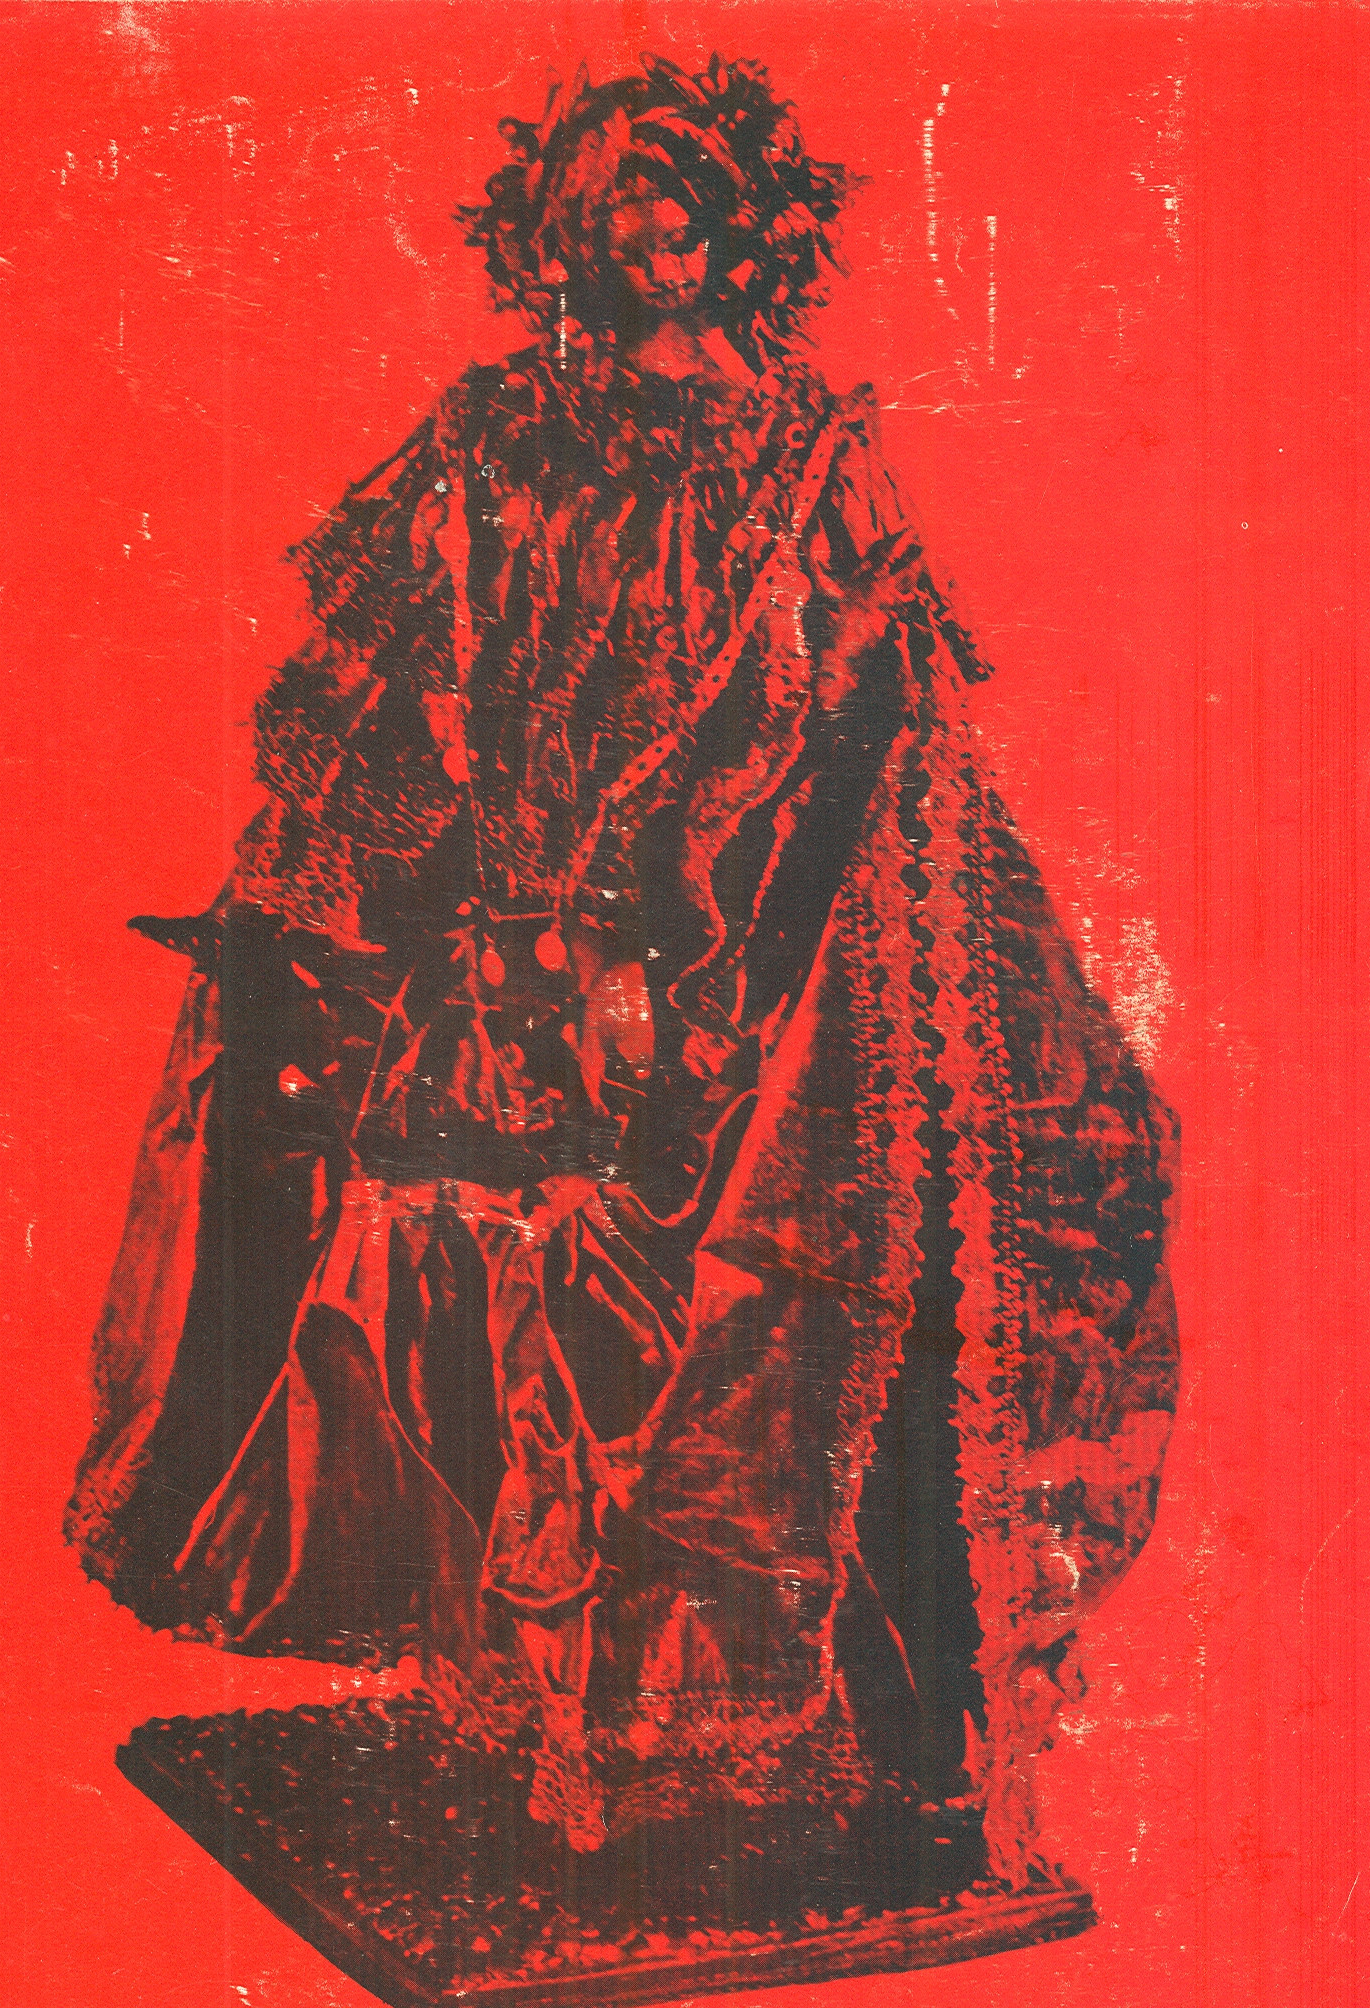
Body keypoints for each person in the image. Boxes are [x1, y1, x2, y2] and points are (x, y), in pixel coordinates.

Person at [68, 57, 1177, 1886]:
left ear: (748, 236)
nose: (660, 245)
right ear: (561, 242)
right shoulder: (495, 433)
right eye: (621, 216)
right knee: (484, 1289)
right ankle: (531, 1698)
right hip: (506, 927)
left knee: (733, 1308)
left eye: (689, 214)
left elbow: (871, 716)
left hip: (743, 940)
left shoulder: (808, 450)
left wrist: (710, 915)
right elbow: (399, 662)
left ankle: (706, 1737)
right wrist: (356, 880)